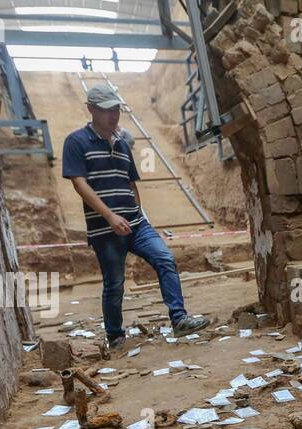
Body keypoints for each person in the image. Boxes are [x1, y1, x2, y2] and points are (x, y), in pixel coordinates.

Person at [61, 84, 209, 349]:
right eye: (107, 110)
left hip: (137, 223)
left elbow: (131, 183)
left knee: (165, 258)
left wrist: (139, 214)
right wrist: (109, 216)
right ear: (92, 110)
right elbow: (79, 183)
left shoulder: (122, 143)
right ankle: (115, 337)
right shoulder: (76, 141)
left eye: (116, 109)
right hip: (104, 229)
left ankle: (179, 319)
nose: (113, 115)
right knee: (115, 283)